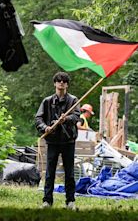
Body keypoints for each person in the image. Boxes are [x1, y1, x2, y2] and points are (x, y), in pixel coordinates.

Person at [35, 72, 80, 210]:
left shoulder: (73, 100)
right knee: (50, 172)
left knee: (70, 173)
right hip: (53, 141)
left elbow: (77, 116)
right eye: (59, 81)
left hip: (68, 142)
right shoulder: (47, 101)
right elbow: (38, 119)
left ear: (67, 84)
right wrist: (45, 127)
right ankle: (47, 201)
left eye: (64, 81)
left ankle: (70, 201)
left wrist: (66, 119)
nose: (61, 83)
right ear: (55, 83)